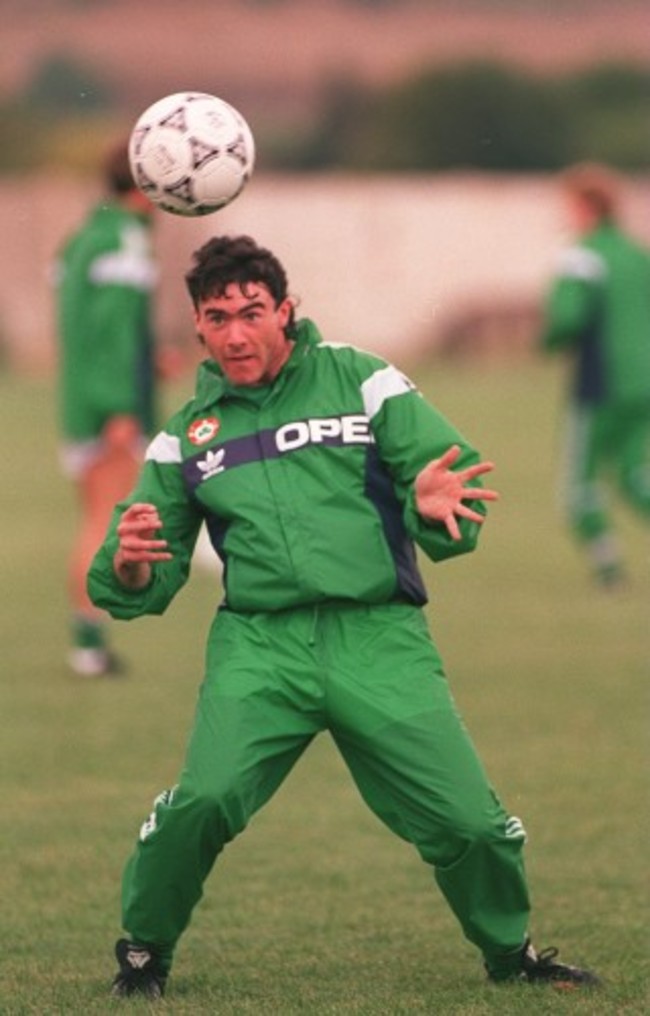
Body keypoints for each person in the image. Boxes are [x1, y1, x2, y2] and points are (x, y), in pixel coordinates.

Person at [88, 235, 599, 998]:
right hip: (261, 646)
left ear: (286, 311)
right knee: (203, 800)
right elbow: (141, 568)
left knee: (468, 824)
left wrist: (434, 506)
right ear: (196, 326)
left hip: (377, 634)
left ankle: (511, 955)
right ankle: (144, 952)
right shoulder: (187, 436)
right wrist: (129, 565)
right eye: (216, 316)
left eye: (252, 312)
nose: (235, 332)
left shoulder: (363, 381)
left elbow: (443, 474)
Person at [54, 140, 159, 675]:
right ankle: (89, 648)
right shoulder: (123, 237)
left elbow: (85, 325)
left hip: (78, 398)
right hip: (108, 405)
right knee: (104, 520)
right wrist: (120, 404)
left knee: (95, 517)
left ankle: (88, 643)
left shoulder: (84, 238)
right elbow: (114, 326)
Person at [539, 162, 650, 587]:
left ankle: (609, 571)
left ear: (585, 206)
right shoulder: (638, 254)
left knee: (578, 486)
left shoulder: (582, 255)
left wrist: (547, 341)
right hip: (643, 384)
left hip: (601, 383)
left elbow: (568, 316)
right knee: (635, 476)